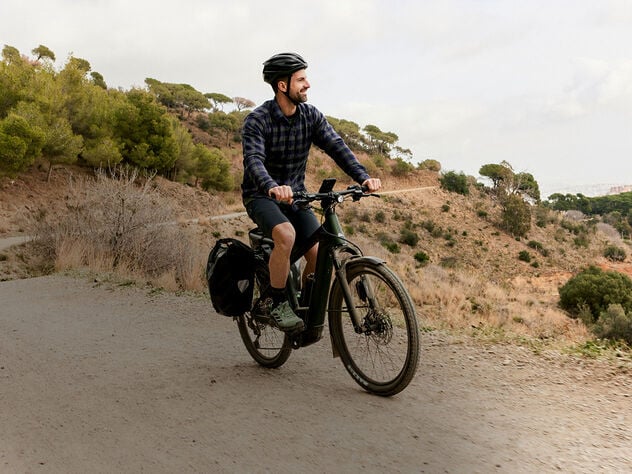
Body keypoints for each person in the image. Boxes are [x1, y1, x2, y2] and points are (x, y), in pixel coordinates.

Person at [241, 52, 381, 332]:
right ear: (283, 86)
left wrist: (363, 177)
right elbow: (253, 160)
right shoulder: (258, 120)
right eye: (301, 79)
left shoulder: (310, 116)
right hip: (261, 195)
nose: (308, 84)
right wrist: (271, 186)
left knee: (318, 254)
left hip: (298, 196)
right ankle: (275, 303)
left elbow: (337, 147)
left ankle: (303, 303)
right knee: (286, 235)